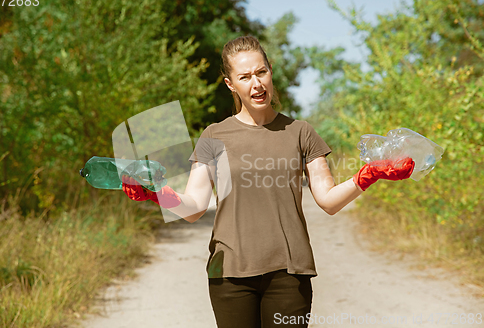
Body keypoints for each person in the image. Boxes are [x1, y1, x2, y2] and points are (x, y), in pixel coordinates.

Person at [121, 36, 414, 328]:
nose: (256, 84)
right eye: (245, 77)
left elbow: (327, 200)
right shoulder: (213, 135)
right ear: (230, 84)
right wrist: (157, 193)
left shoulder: (301, 132)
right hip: (230, 274)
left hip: (289, 272)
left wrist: (369, 175)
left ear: (271, 71)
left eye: (261, 72)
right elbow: (195, 206)